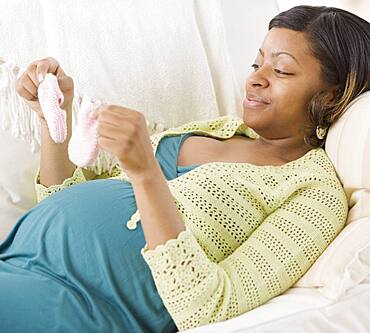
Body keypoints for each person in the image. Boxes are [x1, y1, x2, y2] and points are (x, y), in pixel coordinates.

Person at [1, 5, 369, 333]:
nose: (256, 78)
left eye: (283, 70)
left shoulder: (314, 194)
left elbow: (208, 308)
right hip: (16, 261)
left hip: (76, 303)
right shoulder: (216, 129)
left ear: (332, 94)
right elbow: (65, 205)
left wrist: (147, 174)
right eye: (257, 64)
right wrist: (55, 121)